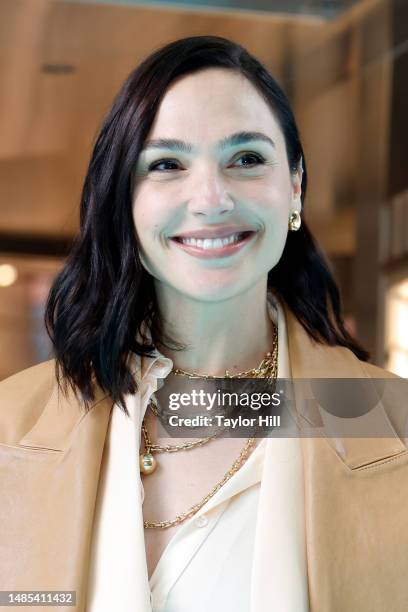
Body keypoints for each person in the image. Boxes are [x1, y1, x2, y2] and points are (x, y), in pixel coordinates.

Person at [1, 35, 408, 612]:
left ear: (293, 185)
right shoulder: (11, 429)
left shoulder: (393, 426)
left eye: (246, 158)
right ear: (124, 199)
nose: (211, 197)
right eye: (167, 164)